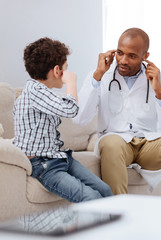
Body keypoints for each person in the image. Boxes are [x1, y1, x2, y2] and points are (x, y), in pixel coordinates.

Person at [74, 28, 161, 197]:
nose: (123, 60)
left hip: (148, 145)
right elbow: (80, 118)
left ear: (145, 56)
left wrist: (159, 93)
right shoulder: (102, 76)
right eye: (120, 53)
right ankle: (117, 213)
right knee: (111, 143)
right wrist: (98, 76)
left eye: (132, 56)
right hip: (117, 141)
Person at [13, 37, 113, 202]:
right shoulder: (35, 92)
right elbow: (71, 109)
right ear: (57, 70)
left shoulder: (41, 92)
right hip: (44, 165)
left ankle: (117, 226)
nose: (68, 72)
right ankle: (100, 226)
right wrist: (71, 82)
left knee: (105, 189)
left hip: (60, 158)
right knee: (91, 197)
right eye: (67, 68)